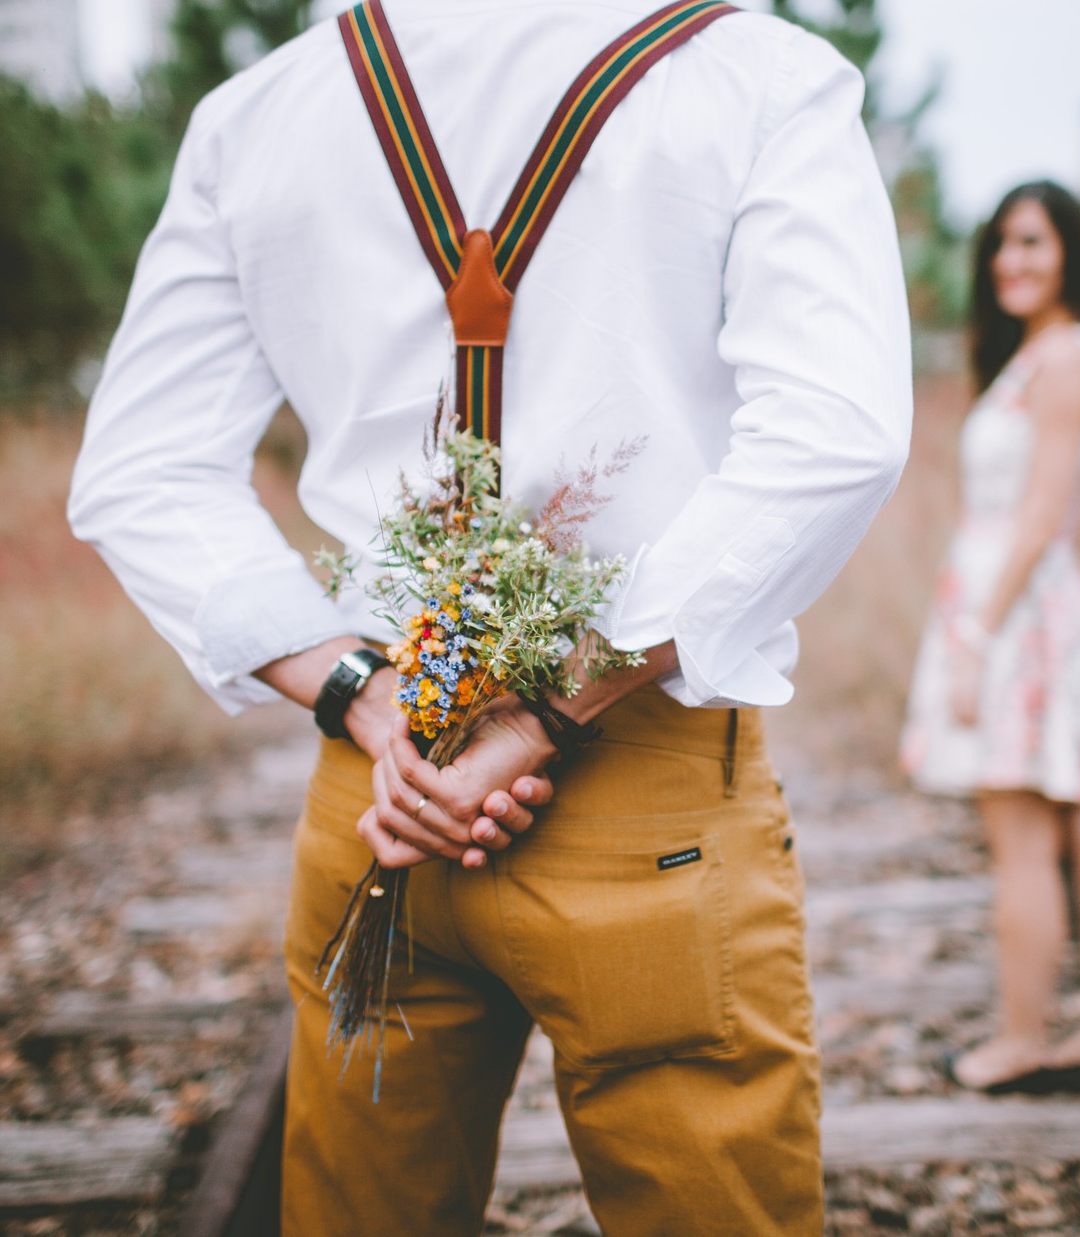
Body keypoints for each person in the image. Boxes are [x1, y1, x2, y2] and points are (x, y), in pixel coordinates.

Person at [69, 0, 911, 1231]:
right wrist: (547, 707)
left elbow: (141, 467)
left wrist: (365, 690)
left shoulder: (258, 115)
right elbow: (835, 434)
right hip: (643, 794)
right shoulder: (759, 77)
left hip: (382, 795)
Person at [900, 180, 1080, 1094]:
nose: (1009, 262)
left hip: (1015, 618)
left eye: (1030, 242)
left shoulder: (1062, 361)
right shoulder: (1051, 355)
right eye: (1000, 246)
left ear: (1069, 253)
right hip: (1035, 606)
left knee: (1022, 836)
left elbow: (1045, 511)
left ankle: (1022, 1041)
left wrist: (976, 633)